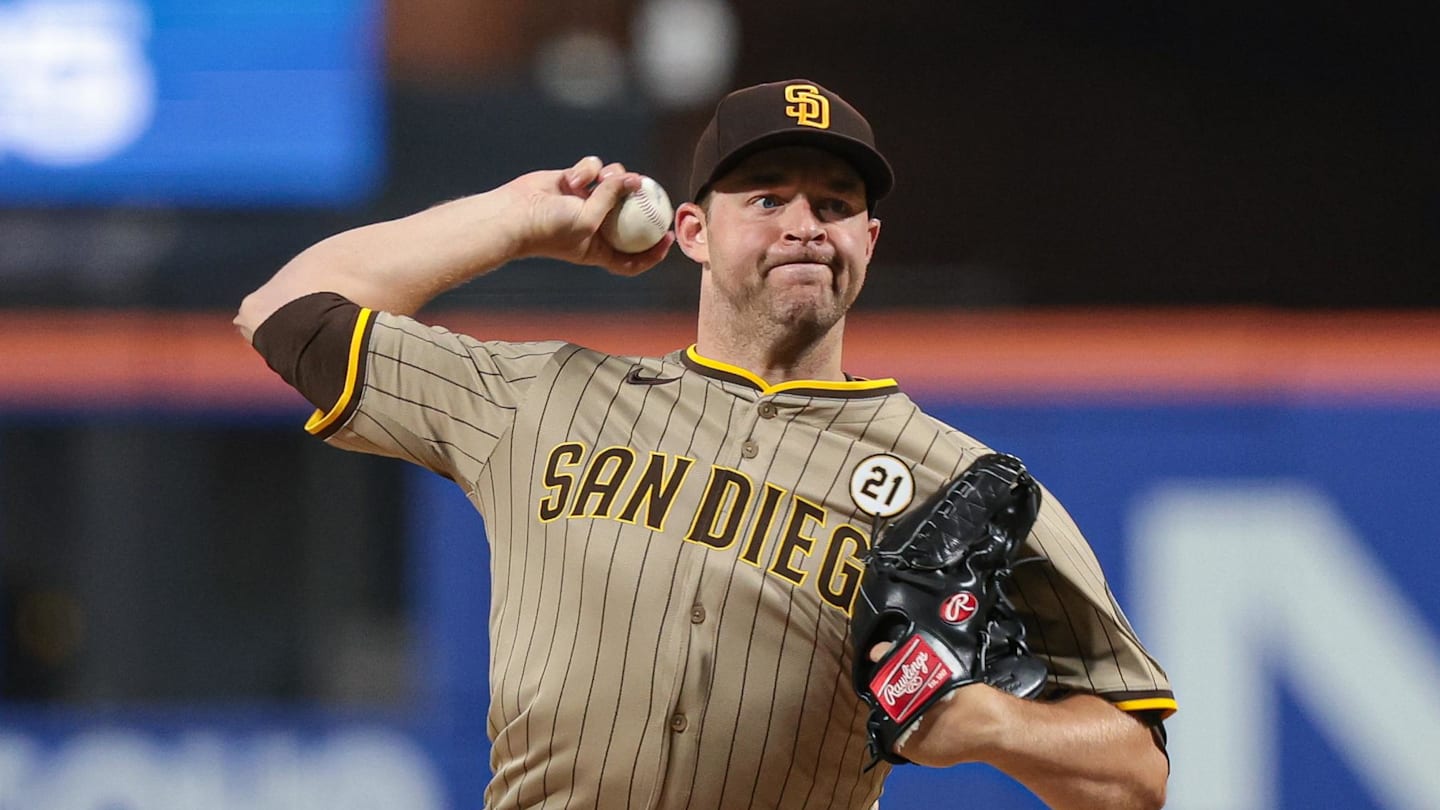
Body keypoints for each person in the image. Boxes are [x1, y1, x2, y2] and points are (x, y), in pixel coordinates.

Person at [235, 79, 1175, 810]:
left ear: (870, 240)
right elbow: (280, 309)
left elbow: (1137, 773)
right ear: (690, 229)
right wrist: (520, 217)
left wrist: (983, 723)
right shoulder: (542, 396)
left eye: (835, 203)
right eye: (767, 198)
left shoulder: (958, 484)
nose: (805, 224)